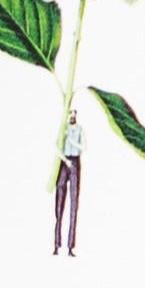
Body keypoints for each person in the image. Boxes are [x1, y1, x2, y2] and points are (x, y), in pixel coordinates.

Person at [51, 96, 84, 254]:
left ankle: (70, 247)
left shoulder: (79, 130)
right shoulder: (63, 129)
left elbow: (84, 146)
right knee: (59, 204)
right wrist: (65, 159)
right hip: (65, 163)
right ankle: (56, 245)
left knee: (73, 204)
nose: (71, 116)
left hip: (75, 162)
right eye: (69, 113)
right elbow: (55, 146)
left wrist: (73, 142)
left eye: (73, 114)